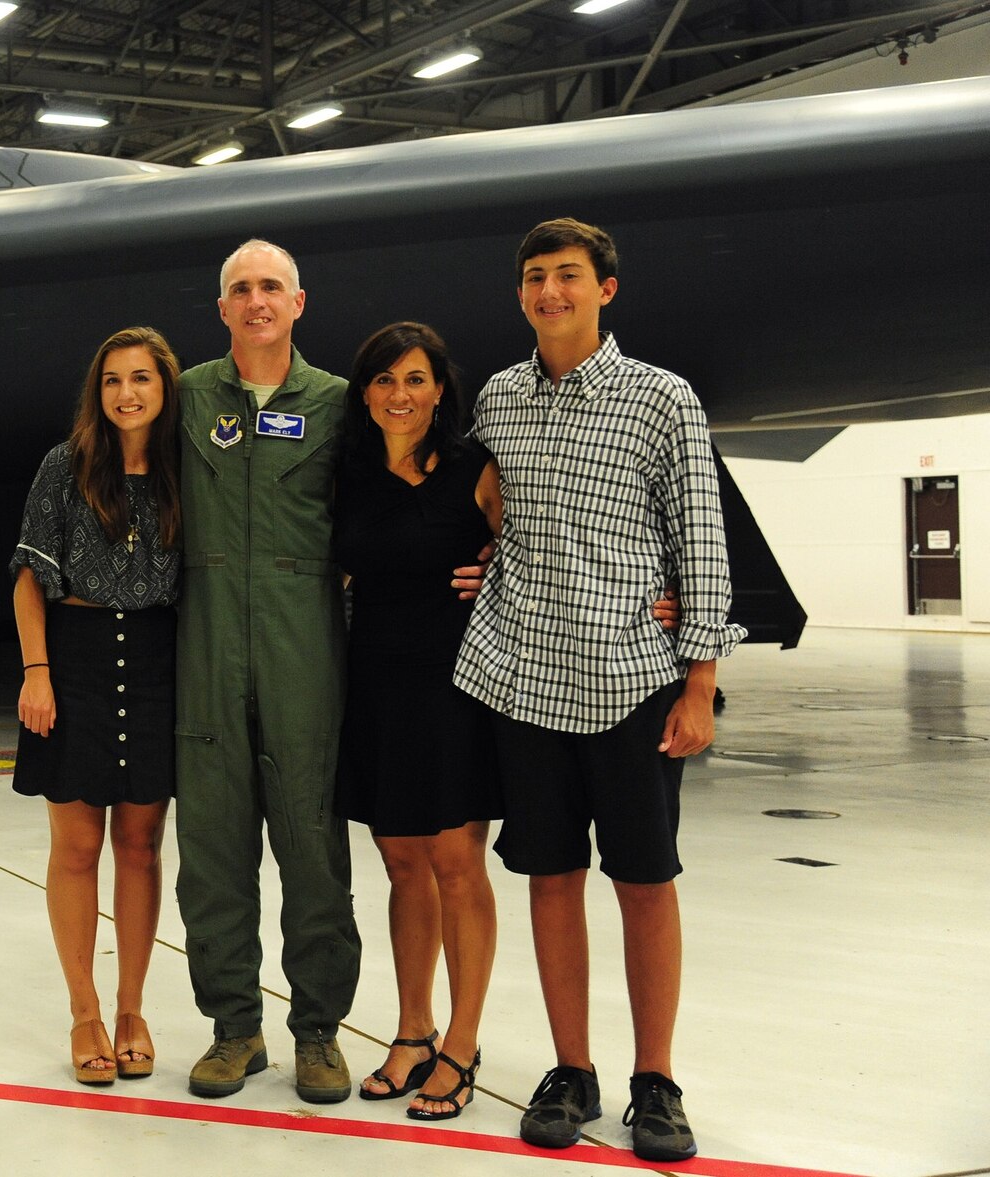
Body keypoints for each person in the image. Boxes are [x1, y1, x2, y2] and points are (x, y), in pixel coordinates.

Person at [455, 218, 745, 1162]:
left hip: (631, 682)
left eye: (568, 276)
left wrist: (699, 681)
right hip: (527, 678)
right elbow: (482, 493)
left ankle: (654, 1080)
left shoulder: (663, 399)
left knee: (645, 882)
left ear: (605, 289)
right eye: (535, 278)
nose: (550, 292)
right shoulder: (501, 398)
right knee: (551, 877)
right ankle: (570, 1069)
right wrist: (487, 552)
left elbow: (701, 541)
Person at [172, 239, 359, 1103]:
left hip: (304, 650)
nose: (256, 301)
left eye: (271, 287)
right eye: (241, 289)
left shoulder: (338, 405)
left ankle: (317, 1030)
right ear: (222, 309)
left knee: (313, 846)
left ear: (299, 302)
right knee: (212, 847)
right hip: (207, 647)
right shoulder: (184, 399)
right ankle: (234, 1028)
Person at [334, 322, 502, 1121]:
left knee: (457, 862)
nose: (399, 395)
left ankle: (463, 1045)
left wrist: (494, 572)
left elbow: (532, 555)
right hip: (374, 682)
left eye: (415, 379)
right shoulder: (350, 472)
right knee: (401, 861)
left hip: (455, 686)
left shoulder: (475, 467)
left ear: (440, 390)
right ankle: (413, 1031)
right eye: (383, 380)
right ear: (364, 393)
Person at [11, 326, 185, 1086]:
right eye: (112, 380)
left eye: (141, 378)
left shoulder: (186, 470)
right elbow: (27, 572)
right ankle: (83, 1011)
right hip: (73, 655)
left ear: (164, 386)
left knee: (141, 846)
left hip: (158, 660)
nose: (126, 393)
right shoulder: (67, 464)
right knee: (77, 847)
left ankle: (131, 1009)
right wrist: (37, 670)